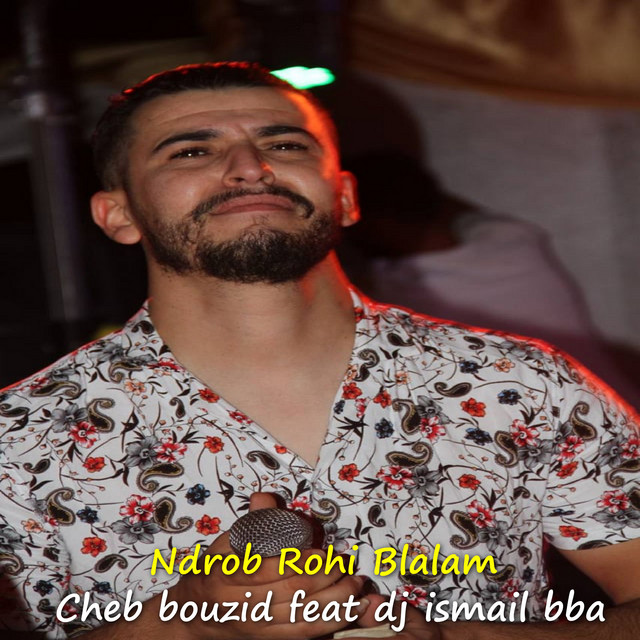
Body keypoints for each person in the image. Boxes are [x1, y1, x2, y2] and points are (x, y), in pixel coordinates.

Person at [0, 62, 638, 640]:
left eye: (285, 145)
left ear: (346, 197)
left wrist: (462, 639)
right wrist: (188, 627)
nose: (251, 167)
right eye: (191, 151)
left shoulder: (520, 385)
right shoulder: (21, 439)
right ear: (118, 215)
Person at [340, 151, 640, 408]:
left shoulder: (403, 294)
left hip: (573, 432)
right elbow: (446, 205)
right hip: (621, 411)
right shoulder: (512, 239)